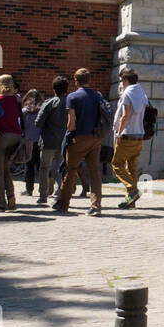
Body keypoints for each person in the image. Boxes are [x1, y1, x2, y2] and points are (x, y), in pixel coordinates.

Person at [57, 68, 106, 216]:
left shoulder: (72, 97)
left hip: (79, 138)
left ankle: (64, 204)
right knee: (94, 172)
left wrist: (69, 134)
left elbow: (71, 122)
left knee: (70, 170)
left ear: (76, 81)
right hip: (96, 138)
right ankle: (96, 205)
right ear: (89, 80)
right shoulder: (98, 96)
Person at [113, 68, 149, 209]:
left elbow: (125, 115)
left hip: (127, 134)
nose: (122, 83)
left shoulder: (128, 93)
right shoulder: (141, 92)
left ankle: (133, 191)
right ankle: (131, 200)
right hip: (139, 134)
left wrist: (118, 134)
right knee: (132, 168)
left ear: (126, 80)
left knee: (116, 164)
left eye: (122, 80)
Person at [0, 74, 24, 211]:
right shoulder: (16, 100)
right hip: (16, 135)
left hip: (1, 136)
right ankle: (11, 196)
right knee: (6, 169)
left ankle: (1, 203)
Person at [35, 77, 71, 204]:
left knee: (45, 168)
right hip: (64, 141)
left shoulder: (49, 103)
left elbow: (38, 122)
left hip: (48, 140)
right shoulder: (70, 102)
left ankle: (43, 195)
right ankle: (59, 193)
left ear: (53, 88)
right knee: (61, 169)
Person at [20, 90, 43, 198]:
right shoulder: (42, 111)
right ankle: (44, 188)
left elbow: (20, 125)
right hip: (40, 141)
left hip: (28, 141)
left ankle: (29, 190)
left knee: (29, 166)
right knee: (41, 165)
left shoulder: (24, 111)